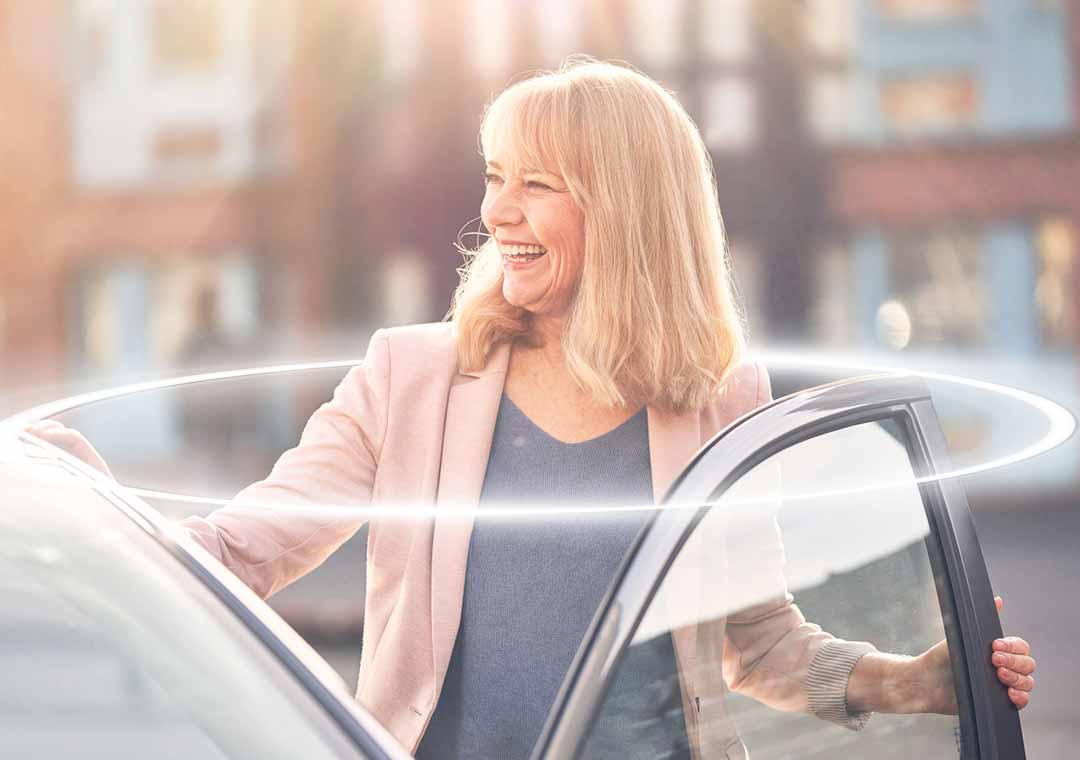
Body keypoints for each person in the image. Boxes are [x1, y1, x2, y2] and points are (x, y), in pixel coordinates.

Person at [26, 59, 1035, 759]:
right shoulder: (409, 376)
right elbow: (253, 546)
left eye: (538, 184)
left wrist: (915, 679)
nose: (498, 211)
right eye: (495, 176)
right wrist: (106, 534)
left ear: (629, 212)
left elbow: (755, 644)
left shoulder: (720, 397)